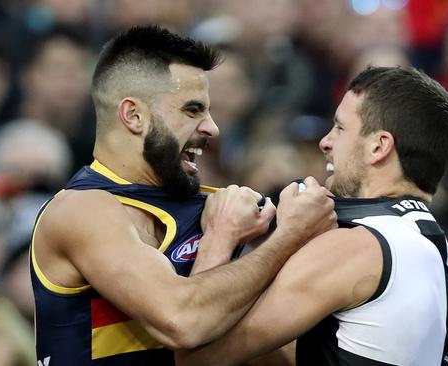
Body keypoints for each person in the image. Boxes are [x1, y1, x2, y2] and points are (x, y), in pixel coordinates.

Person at [30, 25, 336, 365]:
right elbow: (182, 323)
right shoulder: (80, 209)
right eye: (192, 110)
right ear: (133, 115)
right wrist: (281, 237)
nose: (212, 128)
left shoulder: (222, 206)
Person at [177, 66, 448, 366]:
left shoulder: (359, 246)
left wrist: (220, 235)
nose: (325, 142)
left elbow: (196, 356)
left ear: (379, 146)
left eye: (340, 128)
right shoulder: (447, 264)